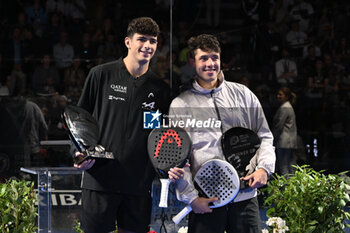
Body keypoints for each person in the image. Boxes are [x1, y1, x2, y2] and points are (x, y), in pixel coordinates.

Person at [73, 17, 173, 233]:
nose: (147, 46)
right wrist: (79, 152)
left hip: (138, 185)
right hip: (99, 181)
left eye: (153, 41)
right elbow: (80, 120)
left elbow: (161, 136)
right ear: (128, 42)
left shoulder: (161, 90)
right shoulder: (100, 75)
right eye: (142, 39)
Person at [168, 34, 275, 233]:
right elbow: (179, 158)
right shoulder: (180, 104)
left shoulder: (243, 94)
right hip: (205, 200)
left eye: (214, 57)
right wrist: (191, 198)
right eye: (204, 58)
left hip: (245, 198)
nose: (211, 63)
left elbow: (265, 136)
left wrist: (264, 169)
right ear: (192, 62)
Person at [272, 87, 297, 176]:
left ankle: (286, 189)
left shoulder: (285, 108)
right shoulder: (288, 107)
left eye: (280, 94)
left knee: (284, 167)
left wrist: (272, 139)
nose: (278, 96)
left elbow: (279, 126)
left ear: (286, 97)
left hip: (284, 141)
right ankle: (292, 188)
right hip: (290, 141)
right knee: (291, 166)